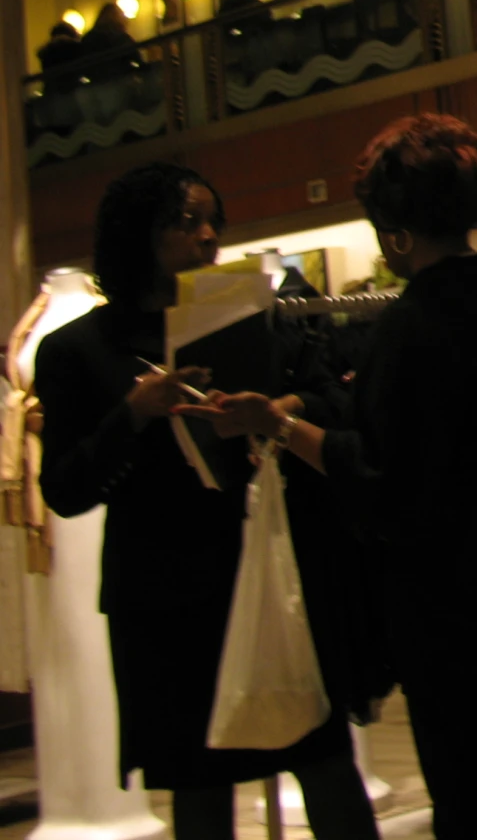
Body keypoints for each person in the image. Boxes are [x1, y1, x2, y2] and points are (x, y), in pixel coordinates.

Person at [189, 115, 477, 840]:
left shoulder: (414, 322)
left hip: (465, 573)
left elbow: (386, 476)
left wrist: (279, 426)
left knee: (476, 768)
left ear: (396, 229)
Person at [34, 163, 377, 840]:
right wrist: (132, 415)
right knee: (199, 785)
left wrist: (280, 410)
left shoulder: (258, 318)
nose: (207, 236)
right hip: (167, 598)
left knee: (325, 762)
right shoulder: (79, 350)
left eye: (211, 219)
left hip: (272, 573)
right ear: (140, 234)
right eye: (185, 221)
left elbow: (337, 404)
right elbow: (65, 489)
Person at [73, 1, 139, 83]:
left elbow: (82, 63)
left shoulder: (89, 38)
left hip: (94, 85)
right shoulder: (122, 39)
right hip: (119, 83)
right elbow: (136, 61)